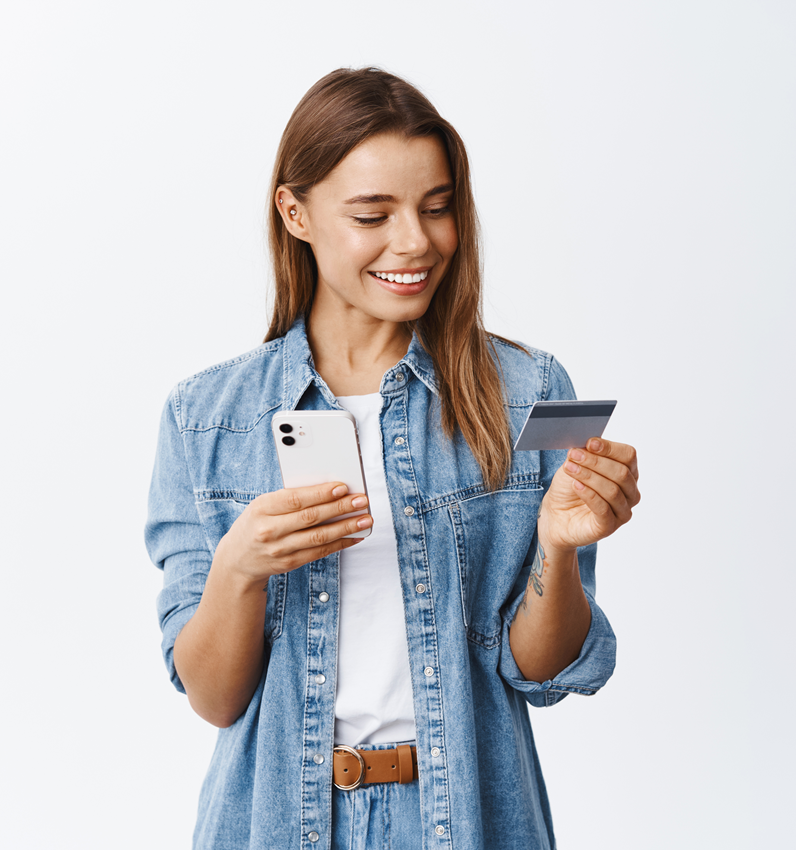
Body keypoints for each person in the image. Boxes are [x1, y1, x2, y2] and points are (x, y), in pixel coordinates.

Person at [145, 67, 641, 850]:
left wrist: (558, 544)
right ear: (295, 211)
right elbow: (213, 697)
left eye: (437, 208)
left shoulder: (533, 394)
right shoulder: (206, 418)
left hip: (472, 817)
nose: (415, 241)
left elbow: (542, 674)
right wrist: (239, 567)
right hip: (276, 822)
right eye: (373, 214)